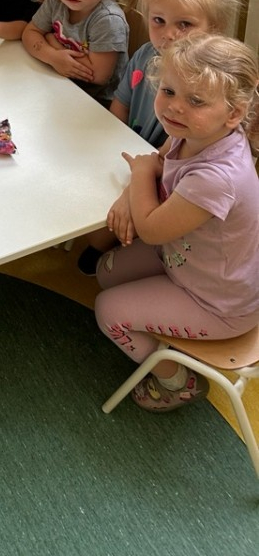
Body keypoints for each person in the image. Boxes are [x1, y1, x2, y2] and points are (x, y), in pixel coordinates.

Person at [94, 35, 259, 411]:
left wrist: (140, 172)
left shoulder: (216, 177)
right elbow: (161, 160)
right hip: (191, 261)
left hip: (220, 304)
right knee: (107, 271)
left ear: (234, 114)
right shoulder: (192, 132)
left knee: (108, 311)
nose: (174, 107)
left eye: (196, 101)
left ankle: (177, 381)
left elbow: (150, 228)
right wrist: (147, 169)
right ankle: (166, 332)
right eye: (168, 91)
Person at [78, 0, 240, 274]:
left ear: (213, 29)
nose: (168, 35)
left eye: (185, 25)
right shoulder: (144, 55)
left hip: (167, 174)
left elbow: (174, 154)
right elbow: (120, 105)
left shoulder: (206, 84)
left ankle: (112, 246)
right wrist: (108, 148)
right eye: (158, 21)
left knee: (103, 227)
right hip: (134, 155)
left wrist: (131, 190)